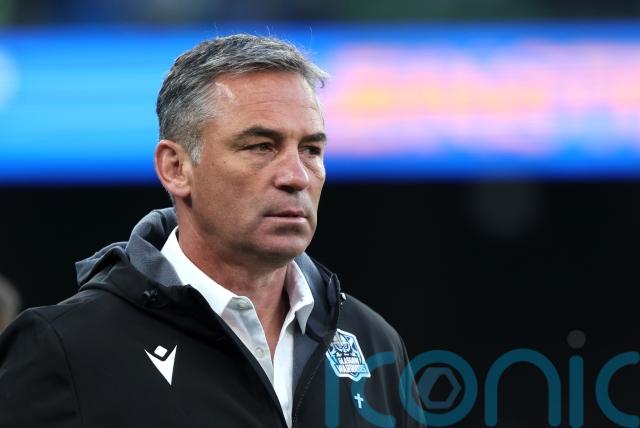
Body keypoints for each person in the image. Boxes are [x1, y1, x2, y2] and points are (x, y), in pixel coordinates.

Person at [0, 34, 425, 427]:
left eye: (311, 150)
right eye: (261, 147)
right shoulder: (66, 347)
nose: (296, 176)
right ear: (176, 168)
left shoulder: (373, 343)